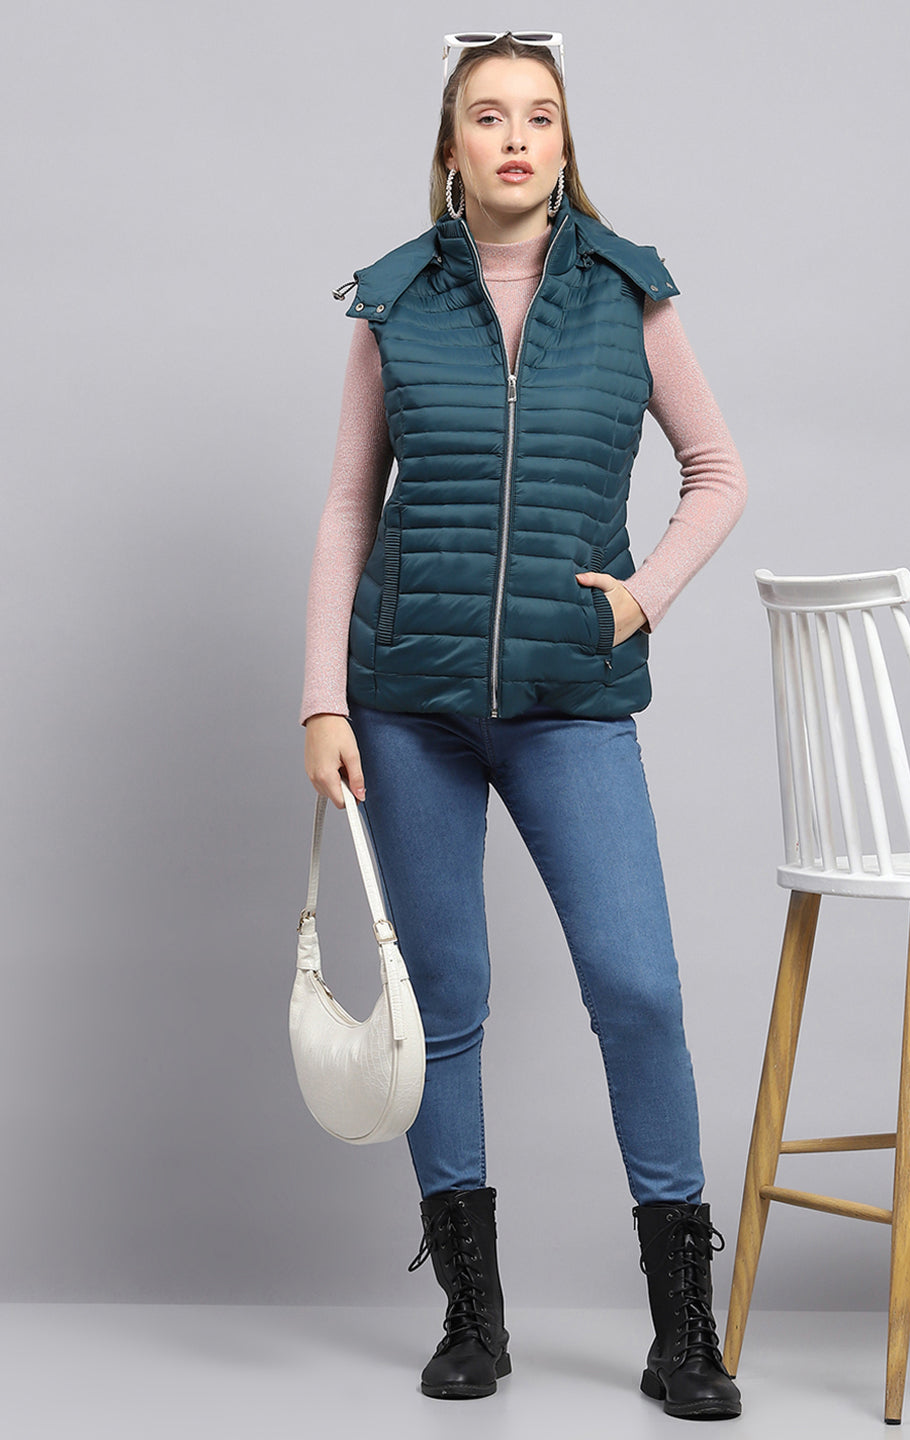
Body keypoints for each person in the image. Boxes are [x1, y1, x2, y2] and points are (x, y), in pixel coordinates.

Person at [301, 31, 747, 1421]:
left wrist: (643, 601)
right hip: (406, 706)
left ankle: (684, 1327)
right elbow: (349, 505)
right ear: (452, 145)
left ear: (565, 143)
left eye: (538, 117)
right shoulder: (394, 299)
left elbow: (719, 472)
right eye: (488, 116)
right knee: (443, 1004)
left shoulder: (628, 291)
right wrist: (322, 695)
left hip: (569, 704)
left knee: (639, 988)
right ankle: (472, 1318)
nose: (513, 139)